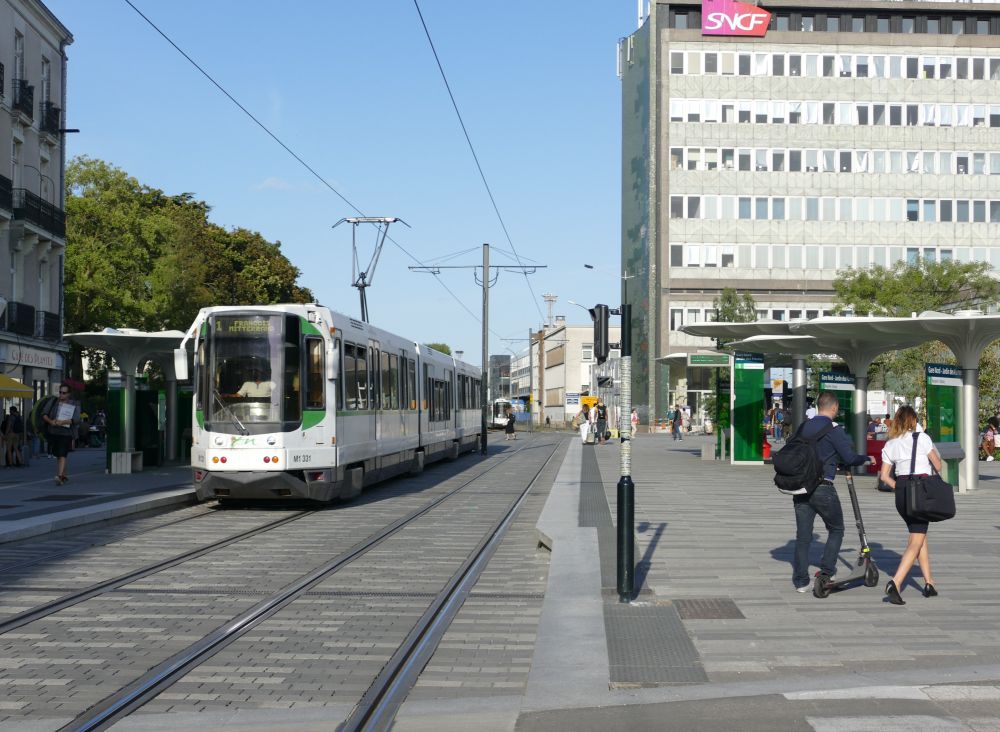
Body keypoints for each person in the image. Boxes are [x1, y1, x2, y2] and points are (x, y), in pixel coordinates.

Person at [790, 391, 874, 593]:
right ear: (834, 407)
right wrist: (866, 459)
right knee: (836, 529)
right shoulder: (834, 429)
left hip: (800, 487)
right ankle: (827, 572)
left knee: (803, 536)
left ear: (818, 406)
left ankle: (801, 582)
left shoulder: (803, 427)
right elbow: (849, 457)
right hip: (822, 486)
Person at [879, 405, 944, 605]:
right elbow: (938, 465)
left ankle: (929, 582)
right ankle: (895, 583)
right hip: (920, 492)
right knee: (916, 540)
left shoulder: (891, 444)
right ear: (913, 421)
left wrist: (900, 487)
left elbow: (884, 476)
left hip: (902, 493)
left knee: (919, 534)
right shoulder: (922, 438)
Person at [42, 384, 81, 485]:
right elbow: (44, 414)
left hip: (67, 432)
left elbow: (77, 419)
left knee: (62, 453)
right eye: (60, 392)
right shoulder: (53, 401)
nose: (61, 394)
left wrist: (63, 422)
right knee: (58, 455)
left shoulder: (74, 404)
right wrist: (51, 421)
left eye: (64, 393)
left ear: (68, 394)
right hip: (54, 431)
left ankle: (59, 476)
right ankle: (63, 475)